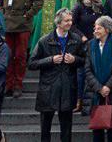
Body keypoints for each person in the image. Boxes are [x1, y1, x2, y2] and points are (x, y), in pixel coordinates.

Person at [29, 8, 85, 142]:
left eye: (71, 20)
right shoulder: (44, 40)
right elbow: (31, 63)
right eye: (67, 21)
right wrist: (50, 60)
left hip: (67, 88)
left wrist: (75, 60)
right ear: (58, 23)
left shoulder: (76, 39)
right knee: (45, 127)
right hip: (48, 88)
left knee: (66, 127)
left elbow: (84, 61)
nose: (70, 23)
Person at [0, 0, 43, 98]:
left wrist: (28, 15)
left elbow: (39, 1)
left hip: (23, 24)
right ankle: (8, 85)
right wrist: (2, 14)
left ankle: (18, 85)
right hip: (8, 23)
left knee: (20, 56)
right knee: (8, 56)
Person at [84, 16, 112, 142]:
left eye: (99, 28)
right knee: (97, 127)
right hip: (95, 92)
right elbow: (87, 69)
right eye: (95, 28)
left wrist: (108, 86)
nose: (95, 31)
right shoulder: (91, 44)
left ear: (107, 29)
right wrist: (99, 87)